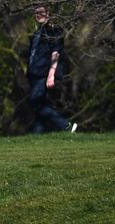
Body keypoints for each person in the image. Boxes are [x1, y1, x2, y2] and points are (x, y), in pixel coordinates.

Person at [25, 5, 77, 134]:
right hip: (34, 74)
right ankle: (36, 135)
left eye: (41, 12)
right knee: (40, 105)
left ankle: (66, 126)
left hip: (43, 74)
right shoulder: (37, 33)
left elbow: (55, 54)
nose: (38, 15)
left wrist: (51, 74)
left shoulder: (54, 31)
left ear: (48, 13)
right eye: (36, 12)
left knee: (34, 102)